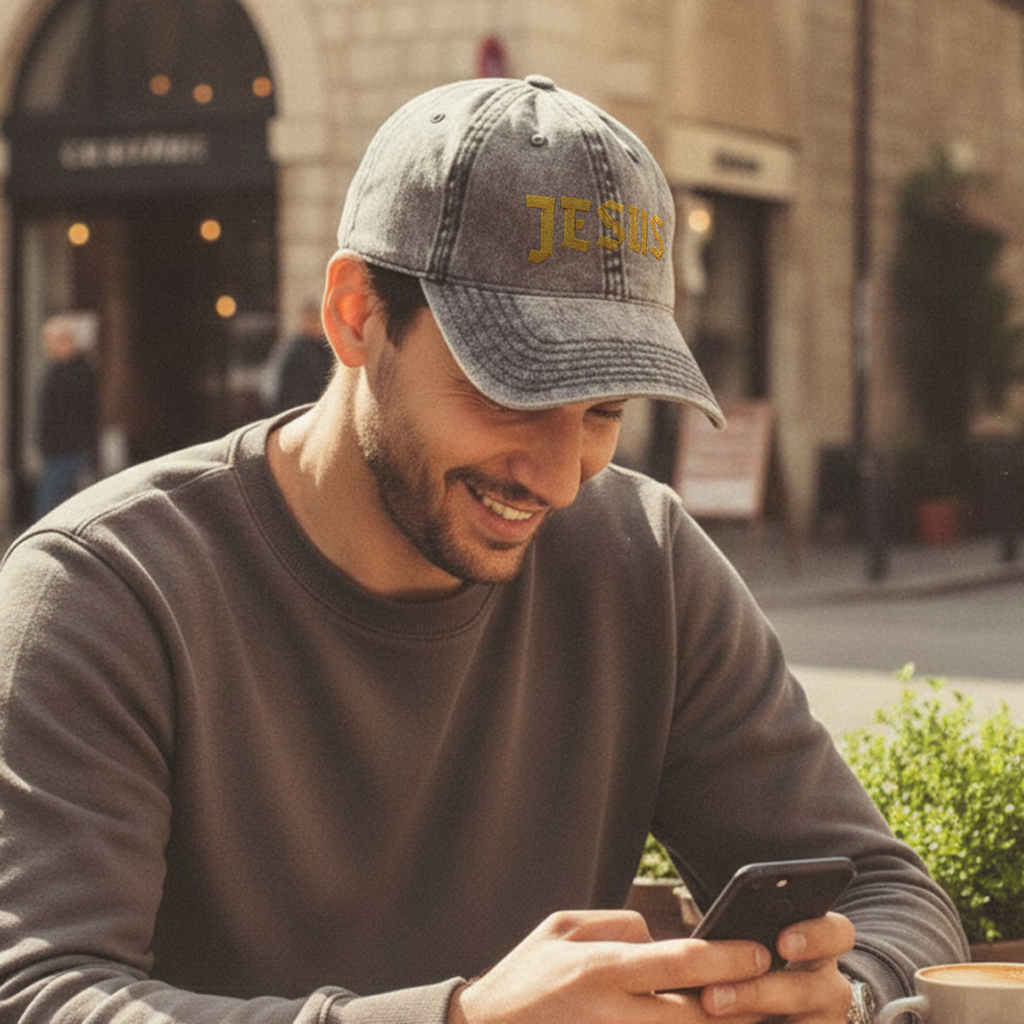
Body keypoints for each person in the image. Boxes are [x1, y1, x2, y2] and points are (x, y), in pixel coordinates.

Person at [0, 75, 967, 1024]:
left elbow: (891, 898)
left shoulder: (646, 559)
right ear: (356, 314)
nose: (558, 477)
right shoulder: (103, 589)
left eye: (604, 410)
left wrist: (842, 997)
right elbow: (41, 995)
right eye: (512, 390)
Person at [31, 314, 99, 520]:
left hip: (69, 449)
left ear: (66, 342)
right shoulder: (56, 368)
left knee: (48, 506)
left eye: (52, 341)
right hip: (57, 449)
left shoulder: (78, 372)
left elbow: (82, 414)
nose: (47, 347)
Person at [265, 300, 335, 413]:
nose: (316, 325)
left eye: (318, 320)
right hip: (297, 409)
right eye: (312, 320)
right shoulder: (294, 350)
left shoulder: (323, 348)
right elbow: (276, 385)